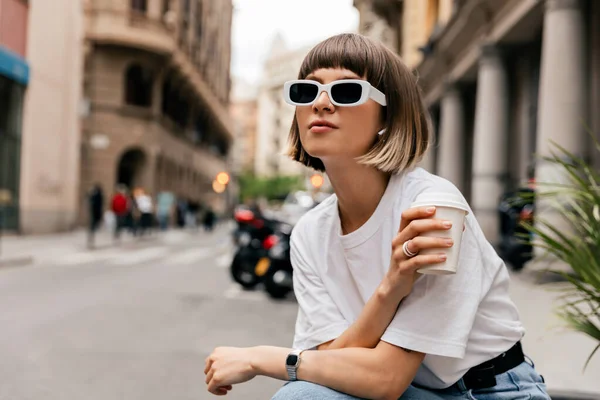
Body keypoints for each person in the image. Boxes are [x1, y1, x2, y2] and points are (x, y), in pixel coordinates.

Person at [204, 33, 550, 400]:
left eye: (347, 92)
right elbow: (329, 363)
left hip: (490, 392)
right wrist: (390, 290)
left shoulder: (432, 208)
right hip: (413, 390)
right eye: (306, 91)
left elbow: (385, 378)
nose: (321, 103)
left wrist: (260, 358)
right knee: (307, 394)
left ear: (388, 117)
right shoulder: (310, 232)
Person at [87, 183, 104, 248]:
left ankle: (91, 237)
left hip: (94, 213)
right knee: (93, 226)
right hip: (95, 213)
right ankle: (91, 237)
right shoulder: (98, 195)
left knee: (92, 226)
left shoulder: (96, 195)